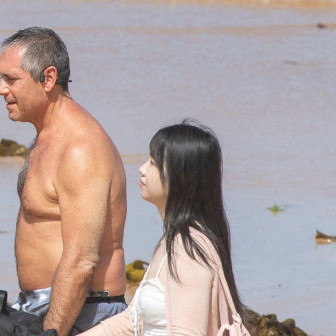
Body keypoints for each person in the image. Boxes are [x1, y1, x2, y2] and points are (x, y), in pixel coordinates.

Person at [0, 27, 128, 334]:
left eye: (11, 79)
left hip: (83, 313)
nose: (0, 89)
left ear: (49, 78)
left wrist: (51, 331)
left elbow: (82, 261)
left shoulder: (80, 150)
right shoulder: (48, 136)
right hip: (47, 307)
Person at [87, 121, 245, 336]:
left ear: (180, 177)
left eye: (153, 162)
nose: (142, 169)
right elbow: (131, 322)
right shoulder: (172, 241)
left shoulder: (190, 250)